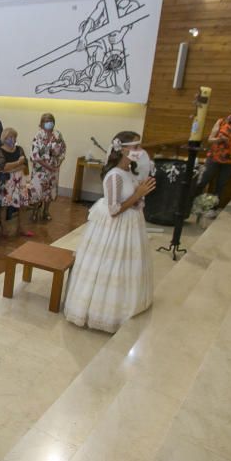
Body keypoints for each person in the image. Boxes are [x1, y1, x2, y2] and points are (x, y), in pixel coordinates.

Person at [64, 132, 155, 332]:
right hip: (115, 228)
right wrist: (137, 194)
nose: (139, 152)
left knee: (125, 267)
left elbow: (132, 201)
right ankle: (101, 312)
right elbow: (114, 210)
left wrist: (140, 195)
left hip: (130, 226)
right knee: (108, 266)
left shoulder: (129, 172)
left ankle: (124, 305)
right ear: (122, 149)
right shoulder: (114, 175)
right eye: (135, 147)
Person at [198, 98, 231, 200]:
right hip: (214, 156)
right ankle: (192, 202)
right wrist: (219, 139)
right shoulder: (221, 121)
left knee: (221, 184)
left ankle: (212, 207)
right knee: (203, 180)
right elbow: (210, 139)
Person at [0, 128, 34, 238]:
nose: (12, 139)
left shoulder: (19, 149)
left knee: (23, 204)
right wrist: (17, 163)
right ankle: (3, 228)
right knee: (4, 205)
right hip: (6, 181)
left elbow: (24, 165)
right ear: (4, 138)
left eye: (14, 137)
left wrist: (14, 166)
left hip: (20, 180)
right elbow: (3, 167)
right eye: (10, 137)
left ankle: (22, 227)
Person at [29, 113, 67, 222]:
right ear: (41, 123)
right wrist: (47, 166)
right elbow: (35, 155)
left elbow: (63, 150)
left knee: (50, 191)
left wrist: (57, 164)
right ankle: (35, 211)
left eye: (50, 120)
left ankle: (46, 211)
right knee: (37, 191)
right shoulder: (38, 136)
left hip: (53, 169)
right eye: (46, 121)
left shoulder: (58, 135)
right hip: (40, 170)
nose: (49, 123)